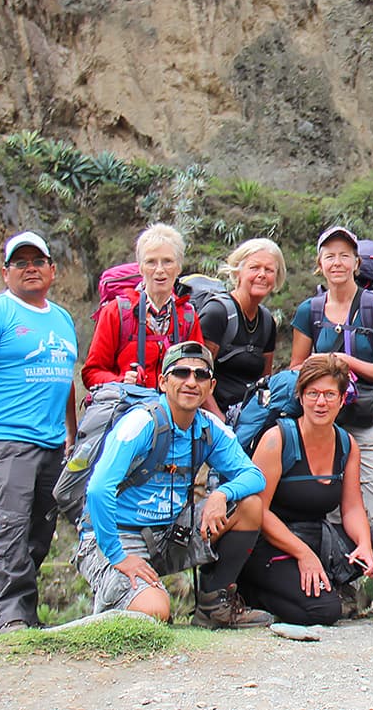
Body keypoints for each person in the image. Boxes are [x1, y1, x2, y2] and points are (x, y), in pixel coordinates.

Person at [74, 341, 271, 628]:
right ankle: (117, 600)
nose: (192, 382)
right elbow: (98, 489)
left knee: (249, 506)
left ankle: (213, 607)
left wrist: (221, 494)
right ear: (163, 382)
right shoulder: (141, 423)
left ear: (211, 386)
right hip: (117, 536)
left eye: (201, 375)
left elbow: (255, 476)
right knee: (155, 610)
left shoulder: (207, 427)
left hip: (168, 534)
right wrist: (118, 556)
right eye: (181, 373)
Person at [0, 232, 77, 633]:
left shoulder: (61, 318)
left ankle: (25, 614)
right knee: (11, 526)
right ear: (5, 272)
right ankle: (10, 619)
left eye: (37, 261)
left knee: (40, 532)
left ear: (52, 270)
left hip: (51, 442)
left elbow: (67, 380)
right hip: (6, 440)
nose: (30, 268)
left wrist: (72, 435)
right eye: (20, 263)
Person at [290, 225, 373, 617]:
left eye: (344, 255)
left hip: (368, 421)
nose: (337, 262)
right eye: (329, 255)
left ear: (357, 263)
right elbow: (295, 370)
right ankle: (345, 590)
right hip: (324, 426)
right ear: (319, 264)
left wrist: (344, 361)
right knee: (334, 511)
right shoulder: (309, 311)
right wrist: (322, 370)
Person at [238, 354, 373, 626]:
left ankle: (312, 583)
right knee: (324, 611)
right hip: (269, 543)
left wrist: (365, 546)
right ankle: (252, 594)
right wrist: (303, 554)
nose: (320, 403)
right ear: (300, 397)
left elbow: (352, 507)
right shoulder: (278, 440)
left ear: (342, 398)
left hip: (316, 537)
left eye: (329, 394)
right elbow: (257, 511)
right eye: (312, 394)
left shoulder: (346, 444)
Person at [82, 223, 207, 396]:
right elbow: (91, 373)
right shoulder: (117, 312)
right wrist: (122, 382)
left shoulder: (187, 317)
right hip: (127, 409)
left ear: (179, 268)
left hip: (175, 414)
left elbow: (200, 373)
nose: (160, 270)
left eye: (168, 262)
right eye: (151, 262)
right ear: (140, 267)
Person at [200, 238, 284, 412]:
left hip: (246, 415)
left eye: (269, 270)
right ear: (238, 272)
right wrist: (222, 425)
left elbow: (265, 381)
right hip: (212, 418)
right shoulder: (217, 313)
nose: (262, 274)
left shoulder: (267, 321)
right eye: (254, 268)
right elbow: (198, 376)